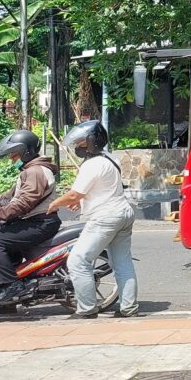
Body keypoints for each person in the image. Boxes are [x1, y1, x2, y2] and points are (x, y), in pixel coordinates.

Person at [46, 120, 138, 319]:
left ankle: (87, 308)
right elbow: (103, 188)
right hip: (123, 213)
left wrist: (54, 204)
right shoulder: (109, 158)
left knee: (78, 261)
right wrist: (81, 201)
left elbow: (73, 194)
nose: (78, 147)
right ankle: (128, 308)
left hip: (105, 217)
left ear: (91, 142)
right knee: (122, 262)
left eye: (81, 143)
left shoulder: (92, 164)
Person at [0, 130, 60, 306]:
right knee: (2, 233)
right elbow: (7, 199)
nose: (11, 159)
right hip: (34, 221)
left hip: (40, 223)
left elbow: (24, 203)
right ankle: (5, 301)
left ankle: (11, 285)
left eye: (14, 155)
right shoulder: (30, 171)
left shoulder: (36, 171)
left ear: (26, 152)